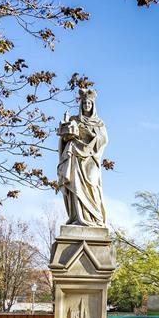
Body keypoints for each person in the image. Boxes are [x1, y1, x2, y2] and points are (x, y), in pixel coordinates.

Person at [57, 88, 108, 227]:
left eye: (89, 103)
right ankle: (77, 217)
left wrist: (90, 135)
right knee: (75, 185)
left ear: (93, 106)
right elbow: (64, 137)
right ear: (81, 105)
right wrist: (65, 126)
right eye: (84, 103)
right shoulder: (75, 120)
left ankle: (94, 218)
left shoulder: (99, 123)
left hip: (90, 158)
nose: (87, 105)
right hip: (75, 157)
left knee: (92, 184)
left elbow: (104, 139)